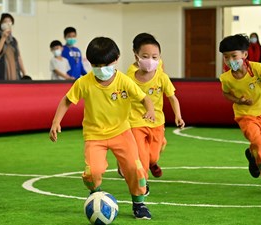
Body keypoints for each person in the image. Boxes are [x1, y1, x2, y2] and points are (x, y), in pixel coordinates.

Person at [49, 36, 155, 220]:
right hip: (94, 135)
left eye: (106, 64)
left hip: (122, 132)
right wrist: (56, 121)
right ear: (90, 63)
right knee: (93, 172)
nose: (102, 69)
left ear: (116, 59)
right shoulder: (84, 82)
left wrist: (151, 110)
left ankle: (139, 203)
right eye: (96, 65)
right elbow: (67, 100)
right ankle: (95, 194)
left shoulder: (124, 81)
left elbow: (144, 98)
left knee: (135, 168)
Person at [219, 34, 261, 194]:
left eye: (234, 56)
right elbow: (226, 94)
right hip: (244, 115)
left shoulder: (258, 69)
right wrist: (239, 100)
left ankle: (252, 155)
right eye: (226, 57)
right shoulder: (226, 78)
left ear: (244, 55)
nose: (230, 60)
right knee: (259, 142)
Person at [127, 34, 185, 185]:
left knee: (153, 157)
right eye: (145, 56)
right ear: (136, 56)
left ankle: (154, 161)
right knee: (142, 157)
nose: (150, 60)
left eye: (154, 57)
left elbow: (172, 97)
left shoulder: (162, 77)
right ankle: (142, 185)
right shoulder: (128, 77)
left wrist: (178, 115)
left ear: (159, 58)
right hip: (136, 122)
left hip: (157, 121)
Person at [0, 13, 26, 80]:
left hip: (15, 75)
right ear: (1, 24)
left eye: (10, 22)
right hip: (0, 74)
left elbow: (18, 57)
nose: (8, 24)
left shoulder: (13, 40)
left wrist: (24, 73)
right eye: (5, 22)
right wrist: (3, 38)